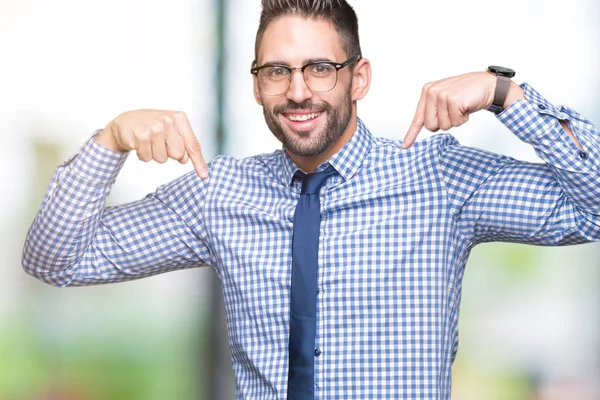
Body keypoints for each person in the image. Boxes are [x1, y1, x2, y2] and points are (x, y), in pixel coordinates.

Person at [22, 0, 600, 398]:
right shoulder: (218, 194)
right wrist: (111, 140)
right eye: (278, 71)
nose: (298, 91)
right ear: (256, 86)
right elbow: (57, 260)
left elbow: (592, 207)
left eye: (320, 68)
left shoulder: (440, 180)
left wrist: (507, 94)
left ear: (360, 78)